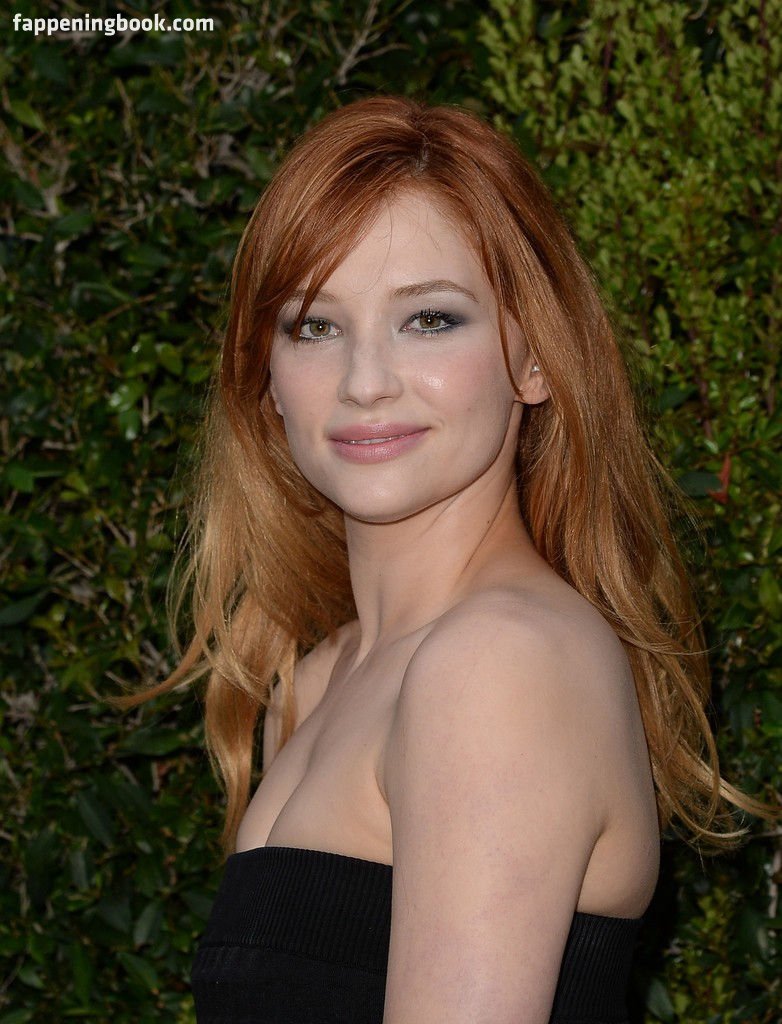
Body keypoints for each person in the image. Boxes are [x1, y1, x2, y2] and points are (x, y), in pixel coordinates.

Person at [114, 95, 774, 1023]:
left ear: (535, 358)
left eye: (429, 319)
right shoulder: (318, 680)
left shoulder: (496, 663)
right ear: (266, 379)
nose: (365, 381)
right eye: (313, 326)